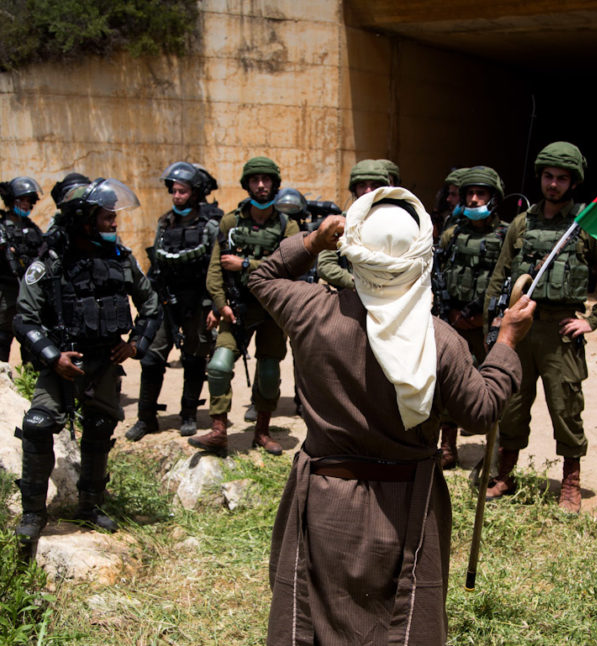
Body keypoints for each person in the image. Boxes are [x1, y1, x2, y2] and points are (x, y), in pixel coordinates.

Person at [249, 186, 533, 645]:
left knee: (315, 618)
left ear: (355, 252)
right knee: (399, 622)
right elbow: (482, 411)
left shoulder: (310, 312)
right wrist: (507, 343)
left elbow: (262, 277)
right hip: (406, 507)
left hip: (324, 497)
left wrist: (316, 241)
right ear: (420, 258)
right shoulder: (439, 342)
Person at [11, 178, 161, 560]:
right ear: (84, 218)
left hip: (104, 364)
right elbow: (24, 319)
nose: (115, 221)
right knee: (39, 424)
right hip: (63, 362)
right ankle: (33, 514)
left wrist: (136, 345)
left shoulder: (120, 258)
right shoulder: (51, 261)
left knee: (99, 428)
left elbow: (152, 306)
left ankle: (89, 506)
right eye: (107, 215)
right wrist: (52, 357)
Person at [482, 142, 597, 512]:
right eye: (548, 176)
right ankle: (504, 474)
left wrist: (591, 320)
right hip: (522, 329)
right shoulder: (523, 223)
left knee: (565, 408)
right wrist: (494, 325)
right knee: (512, 404)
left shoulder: (584, 227)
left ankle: (570, 484)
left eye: (562, 178)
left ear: (573, 182)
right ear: (540, 178)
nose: (554, 184)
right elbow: (499, 277)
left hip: (560, 335)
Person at [188, 156, 300, 455]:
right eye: (254, 180)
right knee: (219, 366)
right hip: (235, 309)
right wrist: (220, 304)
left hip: (271, 311)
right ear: (247, 184)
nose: (261, 185)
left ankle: (261, 432)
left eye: (266, 180)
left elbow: (290, 267)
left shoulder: (288, 225)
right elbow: (216, 268)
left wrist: (247, 264)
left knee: (268, 373)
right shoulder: (231, 222)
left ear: (275, 184)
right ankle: (218, 430)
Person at [127, 162, 222, 441]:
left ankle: (189, 414)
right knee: (151, 357)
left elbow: (216, 268)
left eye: (183, 191)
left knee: (194, 358)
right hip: (166, 301)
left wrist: (216, 305)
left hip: (198, 302)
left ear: (195, 193)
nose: (177, 196)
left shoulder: (210, 226)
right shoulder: (165, 222)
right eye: (174, 191)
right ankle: (146, 418)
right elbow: (155, 262)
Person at [432, 165, 509, 469]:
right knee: (449, 383)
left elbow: (509, 280)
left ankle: (496, 456)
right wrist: (450, 312)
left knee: (494, 384)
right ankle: (448, 446)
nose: (475, 199)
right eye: (470, 194)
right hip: (454, 321)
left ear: (494, 197)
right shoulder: (452, 233)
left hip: (488, 326)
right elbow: (440, 274)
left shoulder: (505, 235)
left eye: (482, 193)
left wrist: (487, 318)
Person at [0, 176, 47, 362]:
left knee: (30, 335)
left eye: (29, 201)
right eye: (21, 200)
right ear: (11, 201)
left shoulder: (33, 229)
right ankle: (0, 378)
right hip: (3, 292)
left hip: (26, 290)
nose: (25, 205)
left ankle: (29, 381)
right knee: (2, 337)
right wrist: (1, 256)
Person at [316, 159, 391, 291]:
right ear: (355, 190)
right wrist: (354, 282)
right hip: (351, 295)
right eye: (362, 185)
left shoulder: (395, 221)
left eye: (374, 185)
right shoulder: (341, 223)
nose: (368, 191)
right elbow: (325, 265)